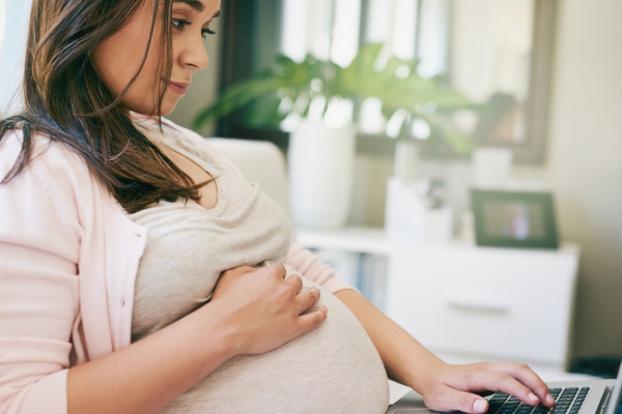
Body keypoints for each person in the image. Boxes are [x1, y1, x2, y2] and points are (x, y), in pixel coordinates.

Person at [0, 0, 558, 413]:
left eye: (206, 28)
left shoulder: (185, 145)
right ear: (87, 12)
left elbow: (309, 273)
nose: (197, 55)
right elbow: (20, 402)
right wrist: (223, 330)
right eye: (177, 22)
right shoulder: (33, 170)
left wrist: (431, 373)